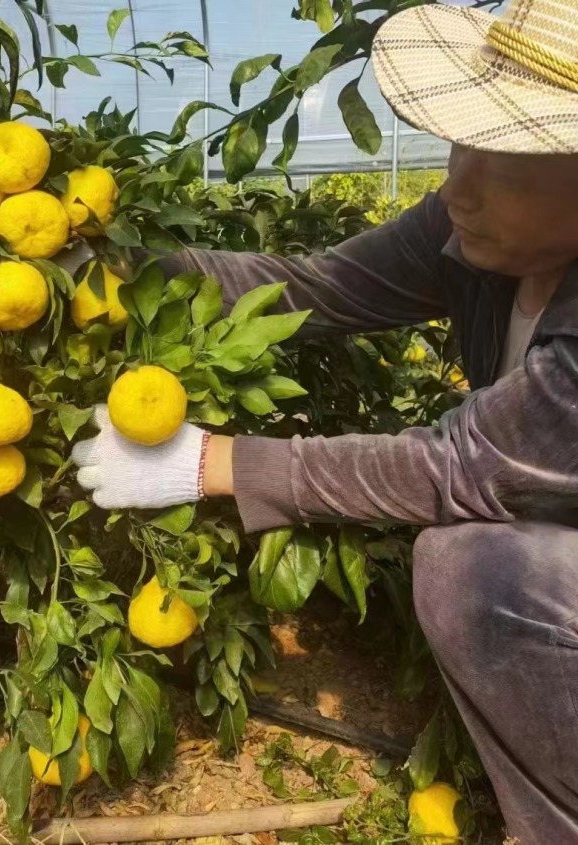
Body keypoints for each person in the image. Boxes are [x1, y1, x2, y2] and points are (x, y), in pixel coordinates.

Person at [73, 0, 578, 840]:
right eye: (461, 144)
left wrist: (215, 462)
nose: (458, 185)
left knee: (476, 570)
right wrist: (127, 265)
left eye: (507, 163)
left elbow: (457, 467)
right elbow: (313, 289)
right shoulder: (474, 233)